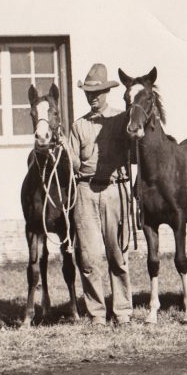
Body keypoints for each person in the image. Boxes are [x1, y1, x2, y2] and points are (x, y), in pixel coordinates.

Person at [66, 64, 134, 326]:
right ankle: (96, 314)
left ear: (107, 92)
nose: (93, 98)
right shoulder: (78, 126)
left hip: (115, 190)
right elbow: (72, 164)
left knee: (117, 254)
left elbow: (135, 151)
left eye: (98, 93)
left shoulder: (120, 120)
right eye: (89, 94)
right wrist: (61, 149)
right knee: (89, 257)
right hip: (84, 192)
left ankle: (123, 311)